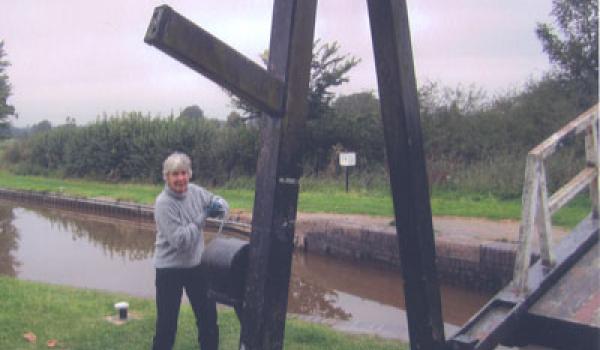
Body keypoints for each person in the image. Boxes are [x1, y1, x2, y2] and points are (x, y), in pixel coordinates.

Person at [152, 152, 228, 350]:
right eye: (175, 174)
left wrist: (220, 205)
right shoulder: (163, 204)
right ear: (166, 177)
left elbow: (215, 200)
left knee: (208, 319)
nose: (180, 179)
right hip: (169, 270)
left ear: (190, 174)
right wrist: (204, 215)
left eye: (184, 173)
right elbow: (181, 240)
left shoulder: (195, 191)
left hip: (196, 266)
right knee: (167, 325)